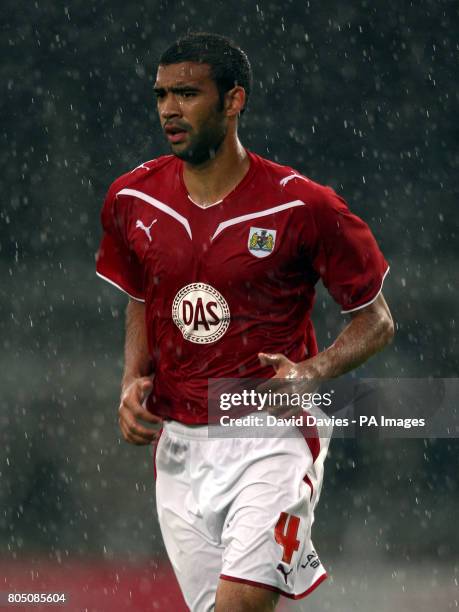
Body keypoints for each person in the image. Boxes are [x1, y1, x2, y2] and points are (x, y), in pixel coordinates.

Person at [96, 32, 394, 612]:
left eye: (187, 93)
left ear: (234, 101)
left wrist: (313, 370)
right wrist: (133, 379)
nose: (168, 110)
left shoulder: (303, 206)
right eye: (160, 95)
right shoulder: (132, 198)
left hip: (270, 436)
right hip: (179, 446)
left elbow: (377, 320)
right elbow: (140, 291)